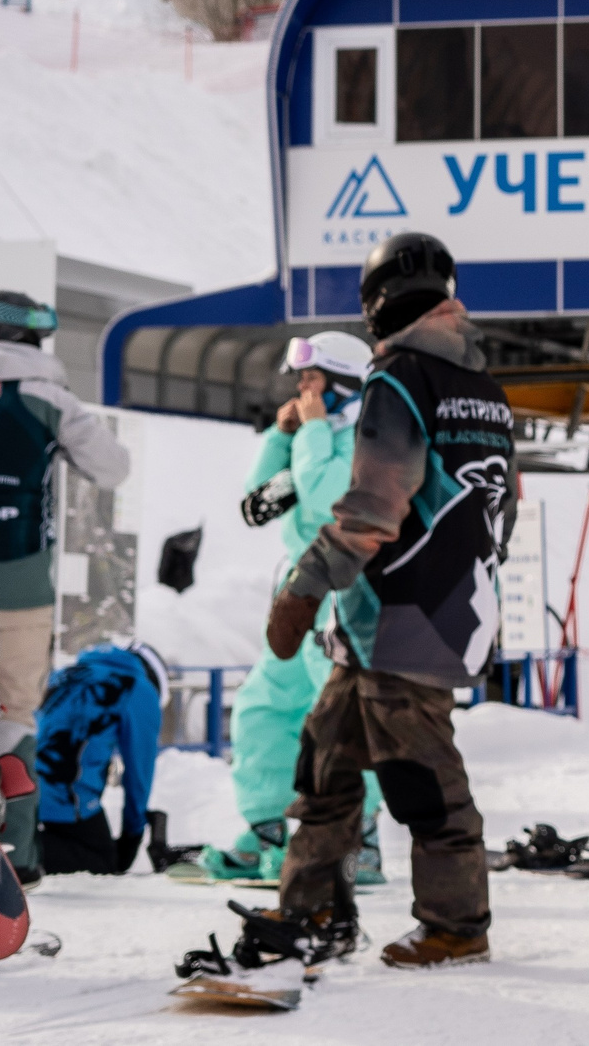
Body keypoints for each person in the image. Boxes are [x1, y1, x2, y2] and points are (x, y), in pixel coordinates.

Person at [241, 232, 517, 971]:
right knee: (325, 765)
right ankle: (314, 908)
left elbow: (371, 506)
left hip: (401, 615)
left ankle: (457, 923)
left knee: (423, 777)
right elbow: (502, 508)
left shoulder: (397, 378)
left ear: (378, 301)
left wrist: (303, 586)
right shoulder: (486, 390)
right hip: (426, 612)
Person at [0, 288, 132, 885]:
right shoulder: (52, 398)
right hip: (21, 579)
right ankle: (18, 853)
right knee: (15, 713)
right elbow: (112, 468)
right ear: (36, 336)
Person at [189, 330, 384, 886]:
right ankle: (269, 830)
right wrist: (281, 434)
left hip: (347, 593)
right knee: (264, 709)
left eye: (311, 378)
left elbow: (328, 498)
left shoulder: (370, 437)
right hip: (301, 592)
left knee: (342, 716)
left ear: (342, 384)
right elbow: (259, 503)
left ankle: (360, 841)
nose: (301, 388)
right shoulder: (315, 437)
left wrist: (315, 428)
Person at [33, 640, 168, 873]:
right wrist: (132, 836)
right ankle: (17, 857)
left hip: (24, 787)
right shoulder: (137, 687)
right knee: (101, 861)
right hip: (66, 796)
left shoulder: (65, 673)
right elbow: (138, 772)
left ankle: (17, 841)